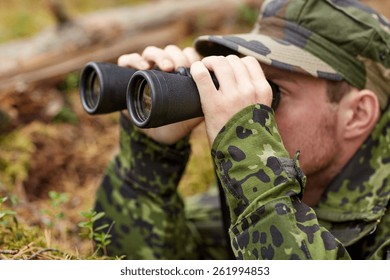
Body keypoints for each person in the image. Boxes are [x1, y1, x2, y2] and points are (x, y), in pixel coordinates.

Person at [93, 0, 390, 260]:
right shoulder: (261, 192)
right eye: (247, 79)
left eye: (271, 92)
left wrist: (256, 175)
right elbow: (134, 257)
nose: (249, 104)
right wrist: (148, 161)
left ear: (357, 115)